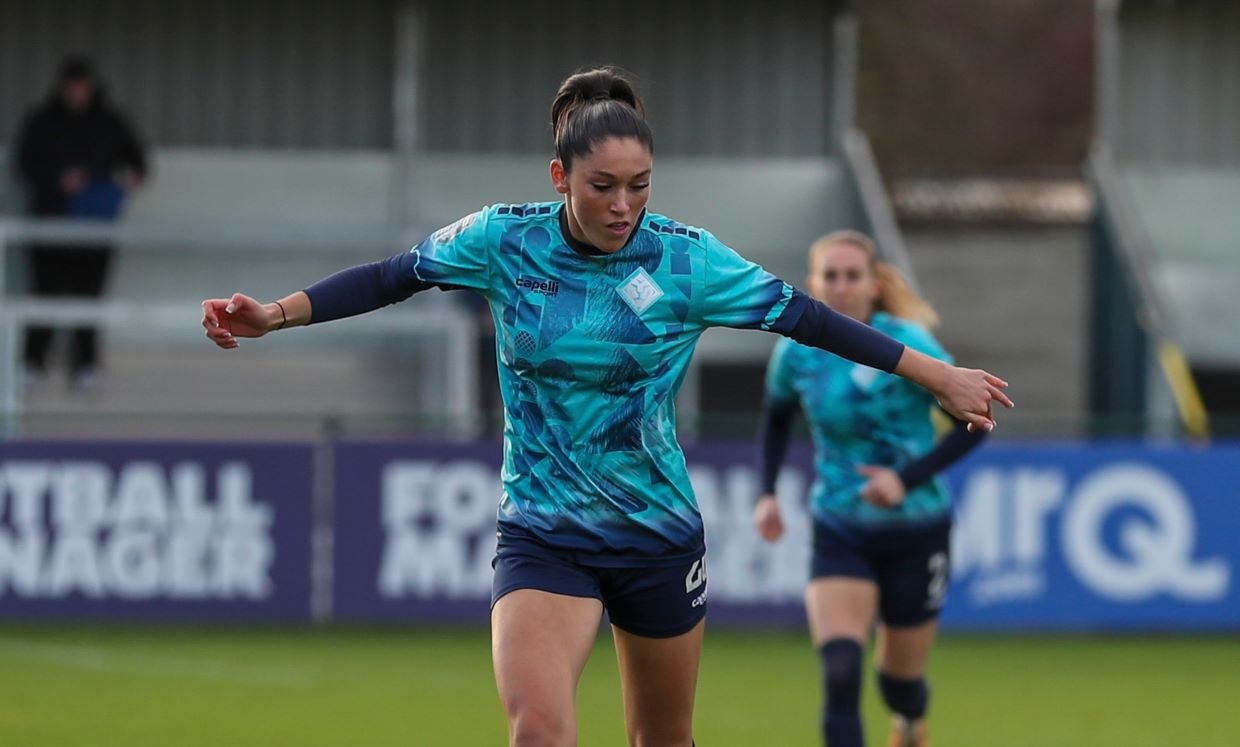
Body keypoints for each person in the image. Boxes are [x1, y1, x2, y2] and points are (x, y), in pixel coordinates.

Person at [202, 68, 1011, 747]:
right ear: (560, 177)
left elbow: (809, 317)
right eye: (602, 186)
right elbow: (390, 276)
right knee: (539, 732)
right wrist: (276, 313)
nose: (624, 205)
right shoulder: (502, 241)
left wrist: (934, 374)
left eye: (639, 186)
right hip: (544, 532)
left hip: (657, 534)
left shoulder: (689, 260)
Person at [753, 231, 990, 747]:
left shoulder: (911, 346)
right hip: (840, 525)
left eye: (852, 275)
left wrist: (904, 478)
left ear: (873, 284)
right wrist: (767, 492)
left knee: (899, 685)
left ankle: (909, 723)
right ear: (813, 285)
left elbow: (979, 425)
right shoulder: (796, 355)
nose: (841, 287)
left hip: (917, 530)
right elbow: (775, 421)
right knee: (840, 673)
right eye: (829, 276)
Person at [14, 55, 148, 393]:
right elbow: (24, 165)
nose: (77, 93)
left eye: (82, 87)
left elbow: (138, 160)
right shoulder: (42, 121)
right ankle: (32, 363)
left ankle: (86, 365)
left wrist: (132, 177)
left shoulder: (109, 122)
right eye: (72, 87)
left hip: (95, 226)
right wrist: (59, 180)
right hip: (51, 222)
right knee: (45, 295)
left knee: (90, 296)